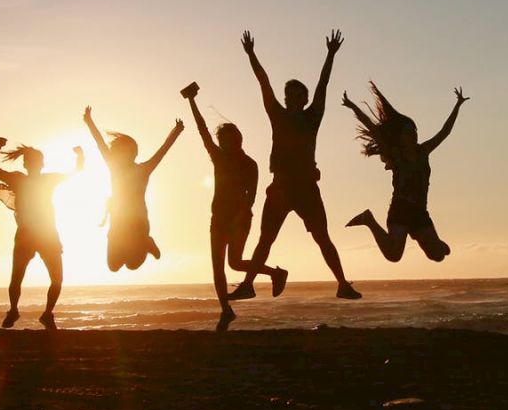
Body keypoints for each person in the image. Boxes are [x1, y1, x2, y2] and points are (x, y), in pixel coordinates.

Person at [232, 30, 361, 300]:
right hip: (279, 187)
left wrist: (330, 55)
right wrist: (251, 55)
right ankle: (248, 285)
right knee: (265, 240)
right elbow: (263, 83)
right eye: (288, 95)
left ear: (303, 99)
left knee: (322, 238)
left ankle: (342, 284)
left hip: (306, 187)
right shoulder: (277, 115)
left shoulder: (312, 117)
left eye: (296, 95)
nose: (291, 98)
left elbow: (323, 86)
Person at [182, 82, 287, 331]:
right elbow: (202, 130)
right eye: (224, 140)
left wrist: (239, 216)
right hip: (217, 218)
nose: (228, 143)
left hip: (239, 219)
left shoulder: (250, 164)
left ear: (239, 139)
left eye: (232, 139)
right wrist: (191, 101)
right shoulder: (218, 157)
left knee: (235, 263)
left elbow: (252, 198)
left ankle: (275, 273)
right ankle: (226, 312)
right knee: (219, 267)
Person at [340, 83, 467, 263]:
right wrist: (353, 107)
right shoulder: (395, 155)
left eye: (414, 131)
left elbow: (444, 132)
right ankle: (368, 220)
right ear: (401, 136)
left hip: (420, 212)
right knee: (394, 255)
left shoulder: (424, 151)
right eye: (408, 132)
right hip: (400, 209)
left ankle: (427, 239)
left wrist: (458, 105)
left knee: (437, 256)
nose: (413, 134)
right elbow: (373, 129)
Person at [0, 138, 81, 331]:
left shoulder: (46, 179)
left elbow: (76, 173)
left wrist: (80, 156)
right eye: (32, 162)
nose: (34, 165)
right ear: (26, 164)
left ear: (41, 164)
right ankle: (14, 310)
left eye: (36, 161)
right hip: (28, 235)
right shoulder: (18, 179)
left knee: (56, 278)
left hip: (47, 234)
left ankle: (47, 314)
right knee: (18, 277)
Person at [81, 106, 181, 272]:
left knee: (133, 265)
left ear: (133, 153)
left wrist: (176, 132)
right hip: (118, 221)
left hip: (137, 223)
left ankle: (146, 243)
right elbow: (99, 143)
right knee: (113, 266)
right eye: (116, 151)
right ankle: (143, 244)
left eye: (122, 152)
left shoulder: (143, 169)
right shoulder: (114, 166)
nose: (117, 155)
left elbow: (162, 151)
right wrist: (89, 121)